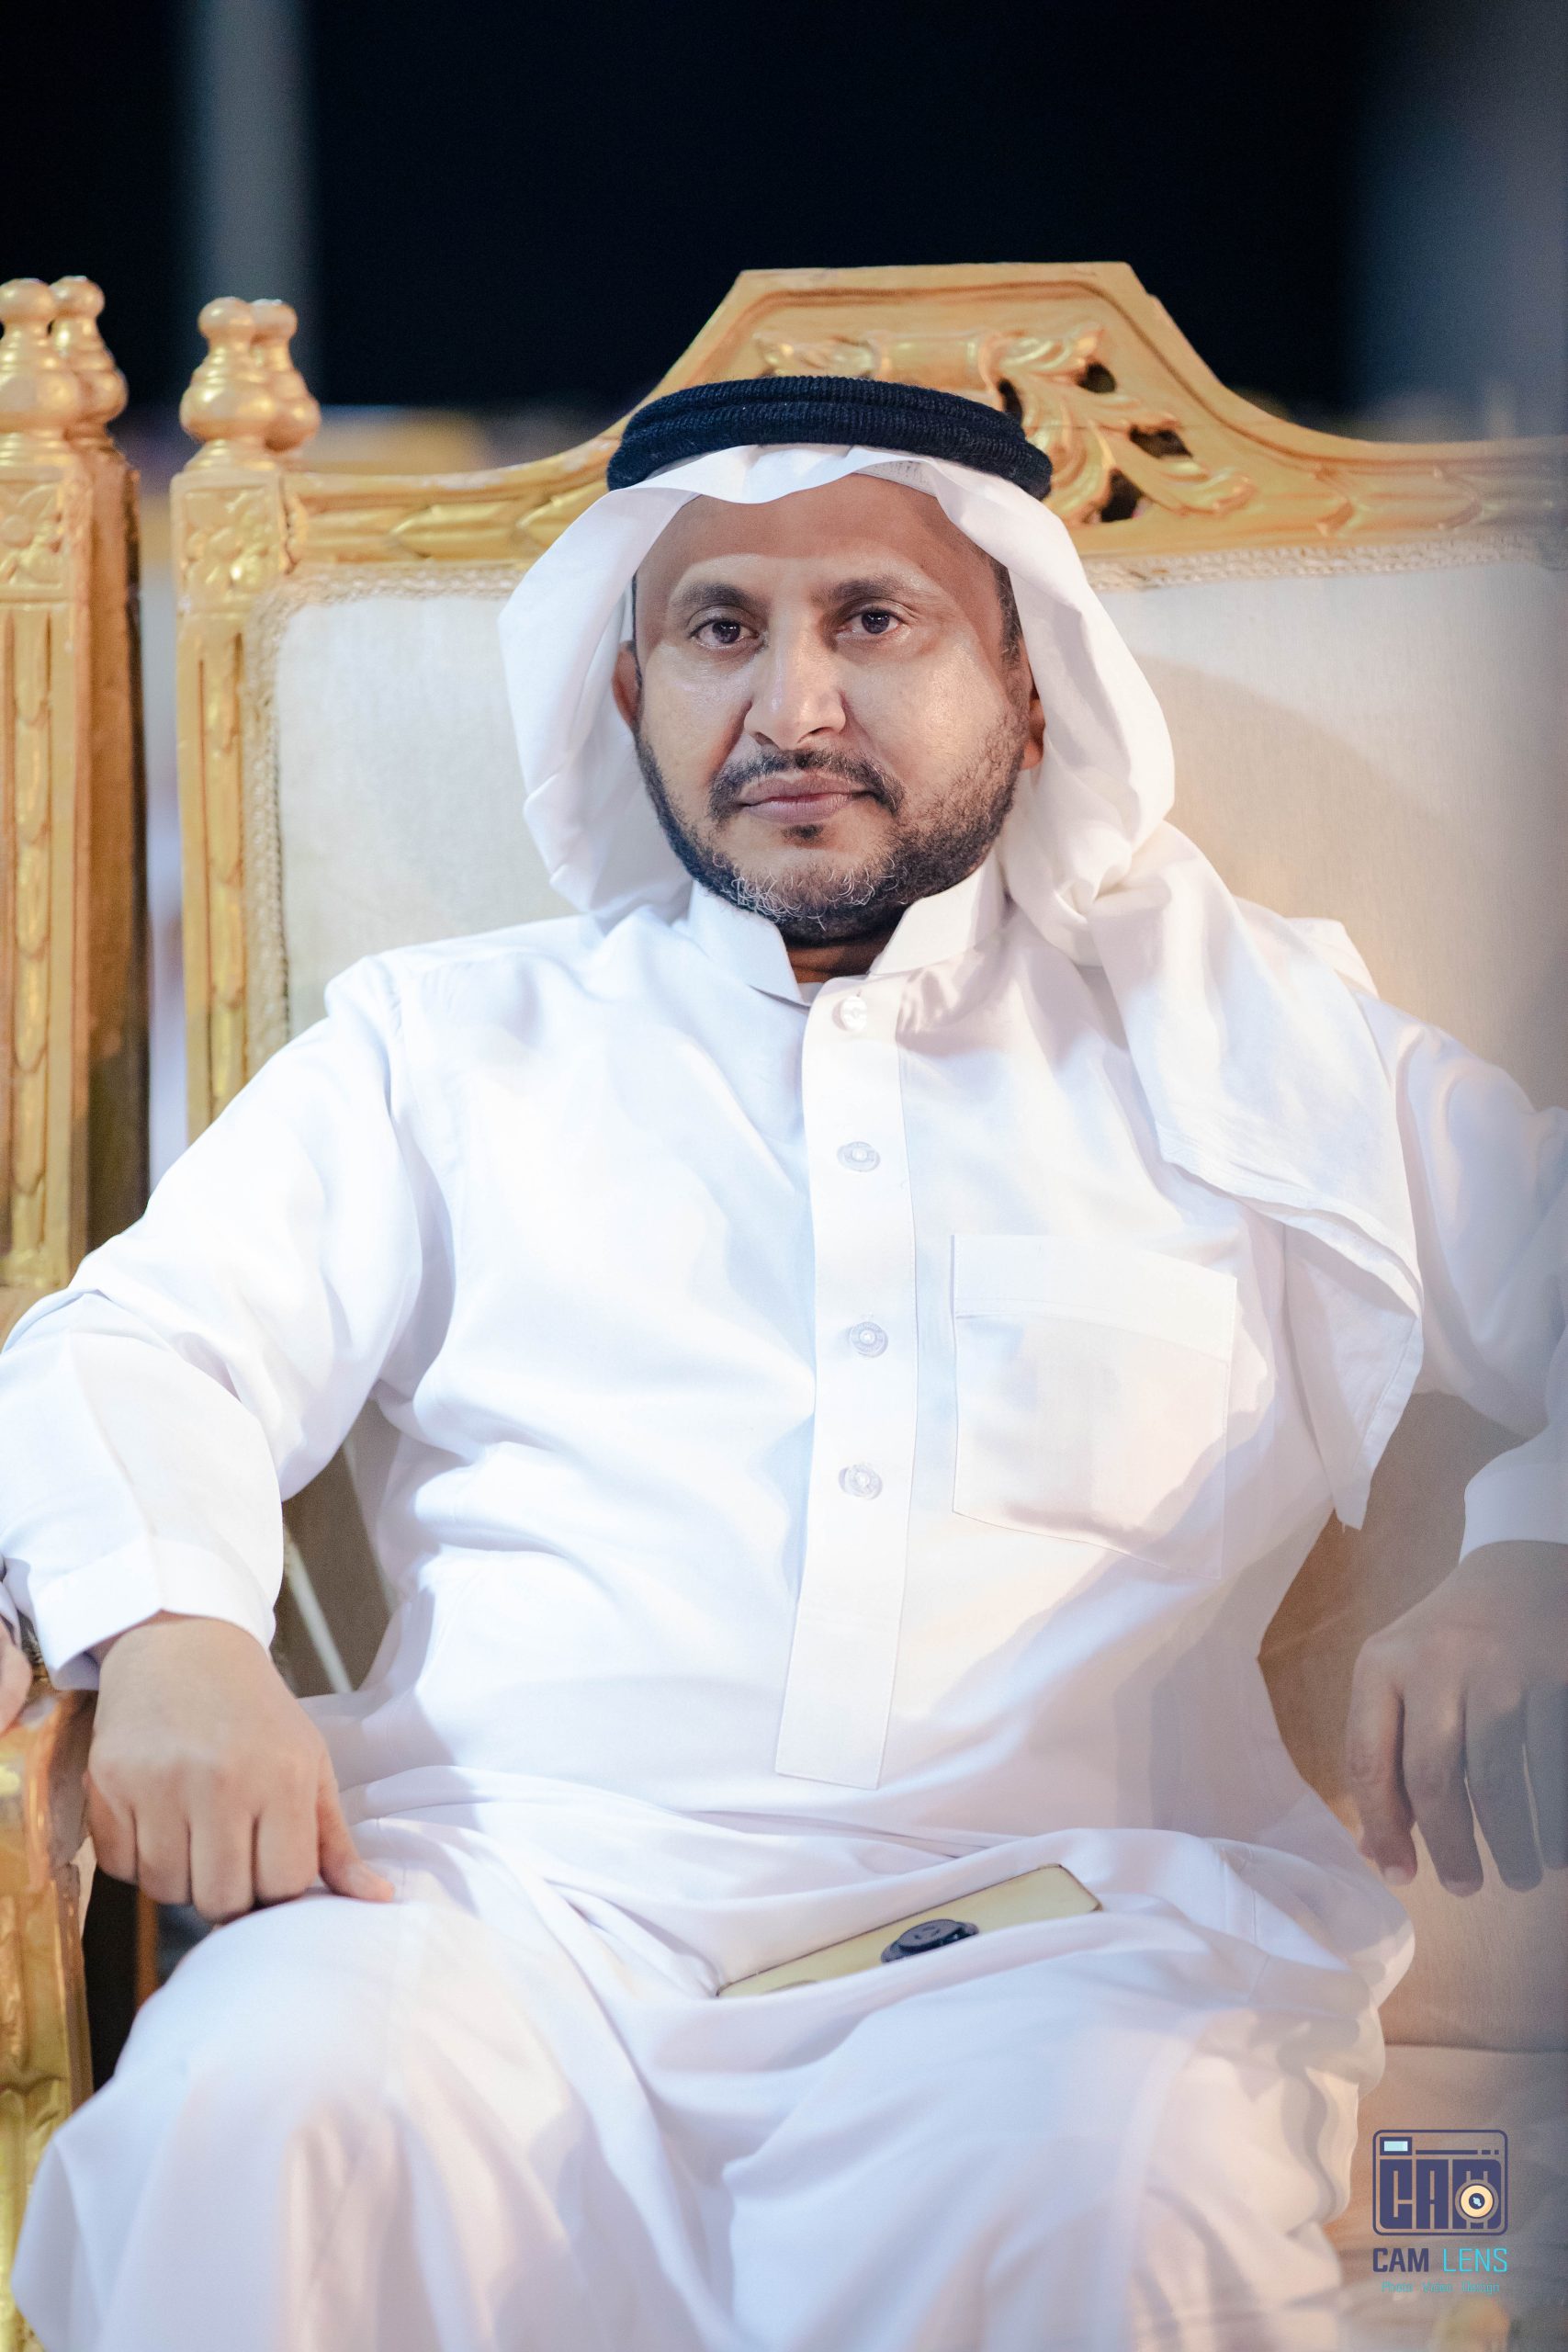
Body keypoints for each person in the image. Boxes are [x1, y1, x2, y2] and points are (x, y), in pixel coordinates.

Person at [0, 376, 1562, 2352]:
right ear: (628, 687)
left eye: (873, 621)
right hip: (500, 1917)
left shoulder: (1252, 1043)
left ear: (1030, 682)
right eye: (720, 628)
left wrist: (1531, 1549)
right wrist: (174, 1632)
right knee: (251, 2109)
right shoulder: (442, 1052)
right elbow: (141, 1338)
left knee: (1107, 2186)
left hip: (1068, 1939)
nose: (791, 703)